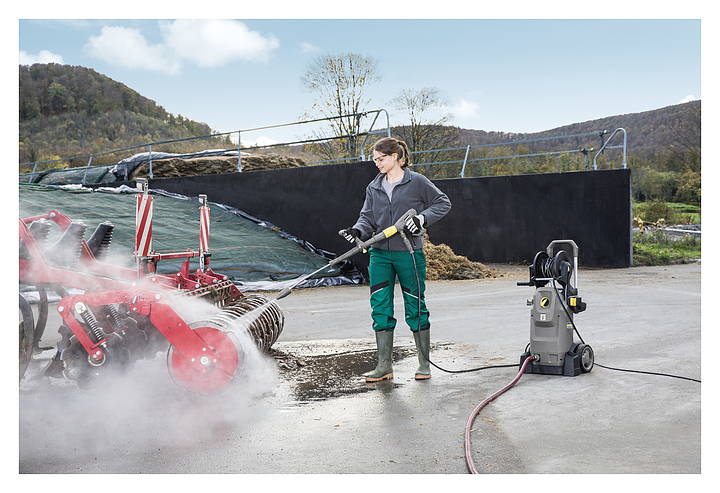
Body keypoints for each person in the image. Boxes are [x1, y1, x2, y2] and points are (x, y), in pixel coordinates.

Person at [339, 137, 451, 382]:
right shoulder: (374, 187)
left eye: (380, 159)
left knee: (415, 305)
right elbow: (367, 218)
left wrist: (422, 218)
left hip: (409, 253)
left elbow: (443, 202)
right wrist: (357, 230)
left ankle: (424, 364)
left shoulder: (417, 182)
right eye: (375, 160)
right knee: (380, 306)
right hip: (379, 254)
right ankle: (384, 366)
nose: (377, 163)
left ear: (395, 157)